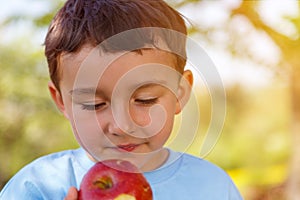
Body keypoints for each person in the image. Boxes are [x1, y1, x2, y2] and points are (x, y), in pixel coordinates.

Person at [0, 0, 242, 199]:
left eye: (145, 100)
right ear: (61, 101)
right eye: (95, 104)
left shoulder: (214, 188)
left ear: (179, 93)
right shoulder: (34, 189)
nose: (122, 126)